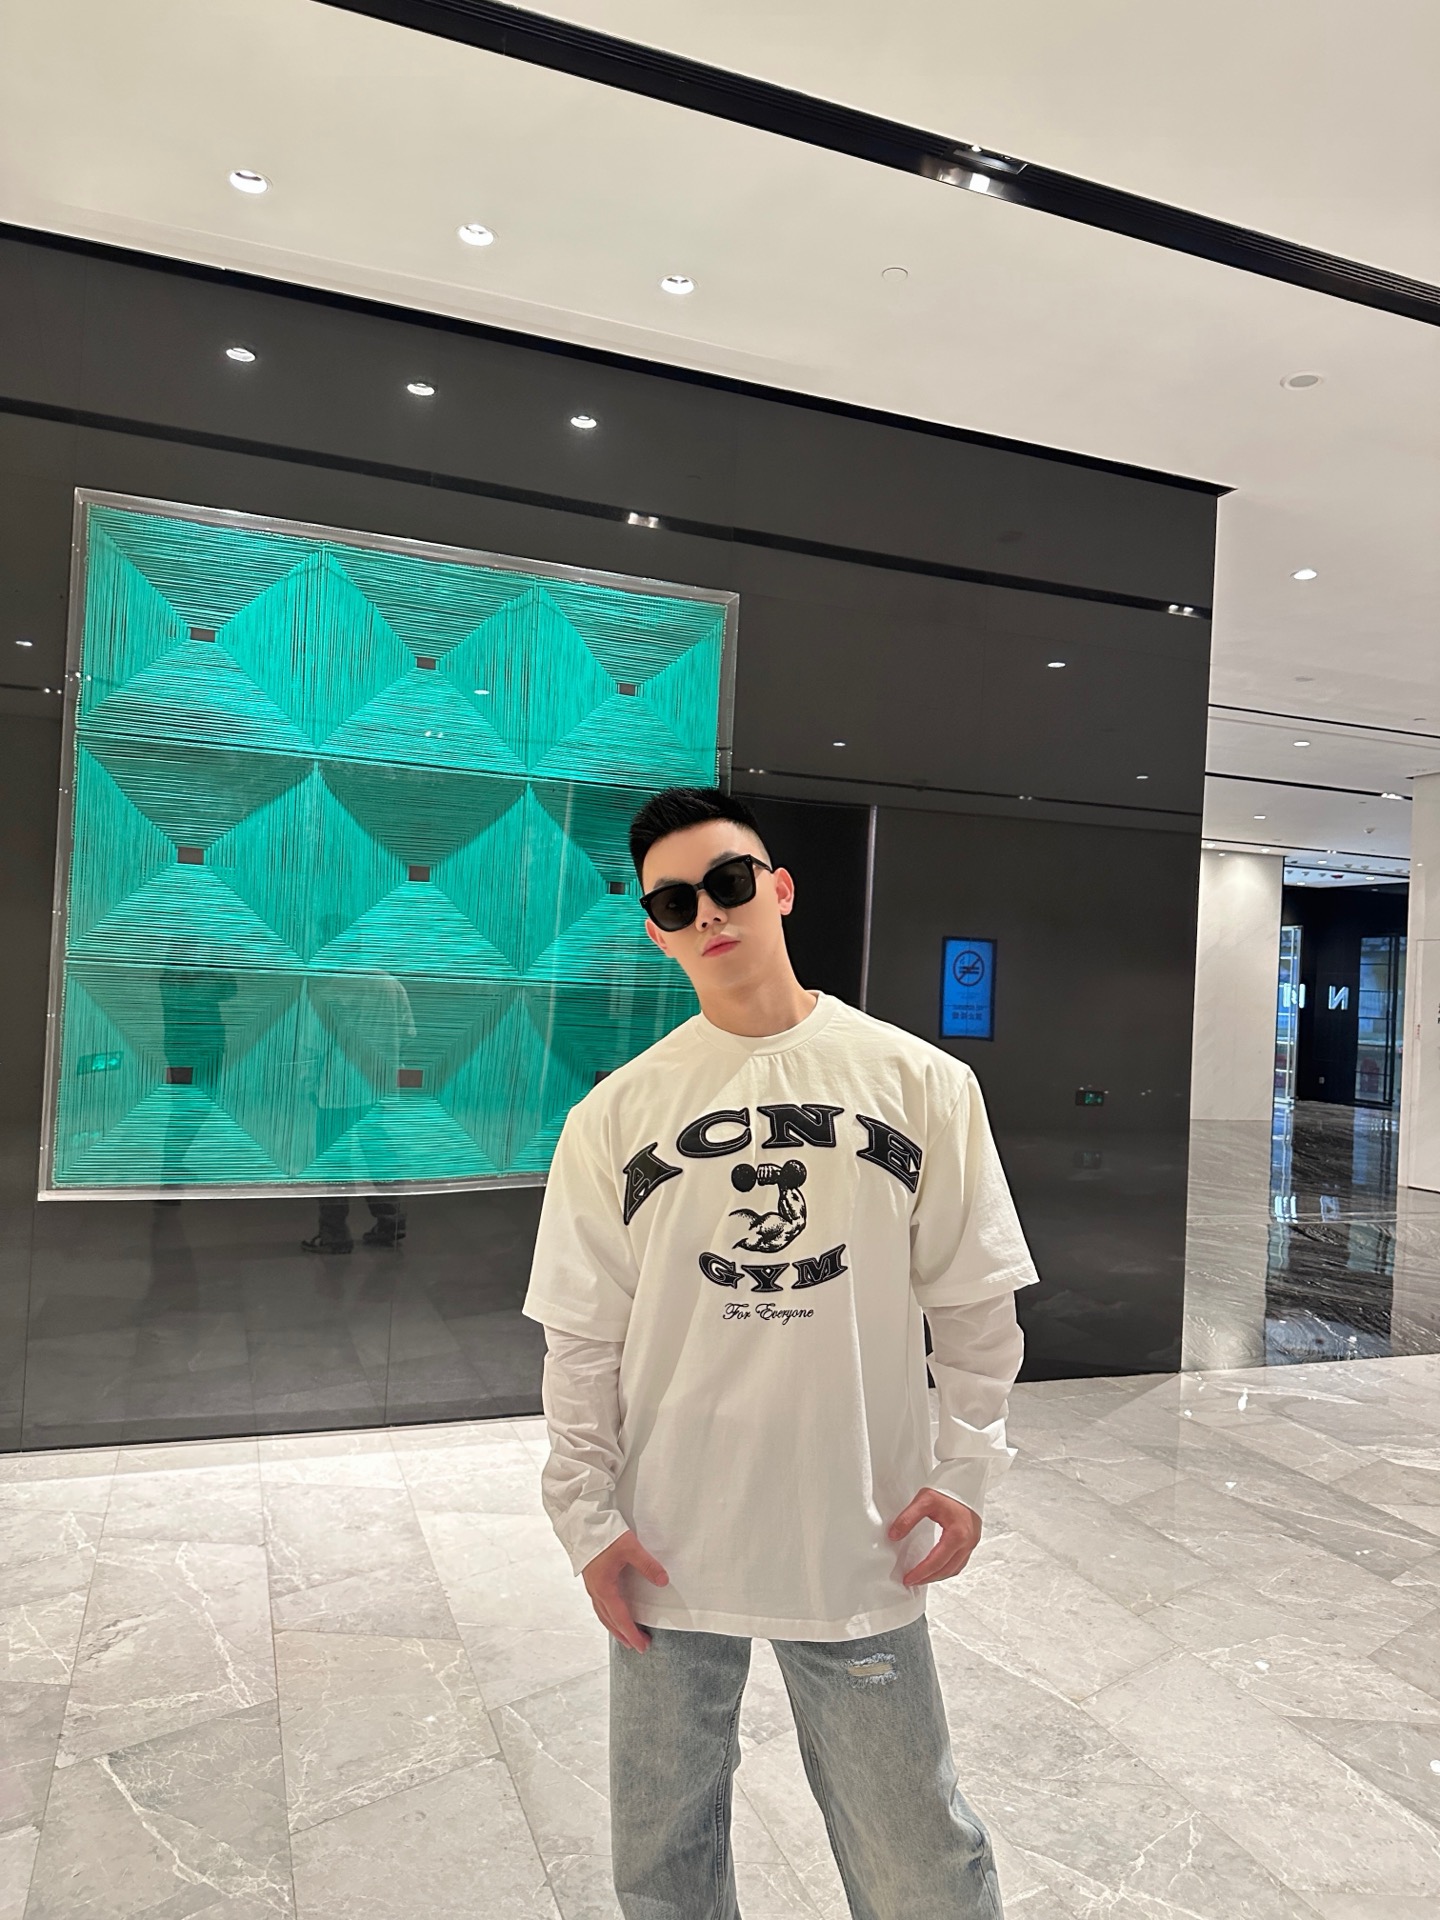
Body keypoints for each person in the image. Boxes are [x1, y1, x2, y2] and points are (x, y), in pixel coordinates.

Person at [521, 786, 1040, 1919]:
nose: (708, 911)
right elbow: (582, 1336)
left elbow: (976, 1301)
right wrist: (585, 1518)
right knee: (662, 1863)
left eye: (728, 882)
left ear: (780, 889)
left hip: (857, 1527)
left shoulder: (920, 1083)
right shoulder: (615, 1113)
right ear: (656, 932)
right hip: (666, 1537)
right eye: (675, 902)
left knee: (919, 1859)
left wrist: (967, 1467)